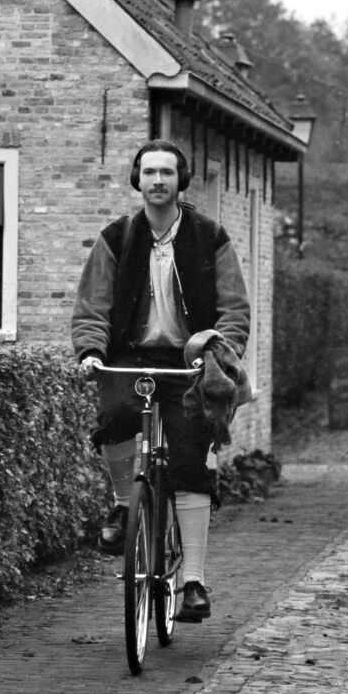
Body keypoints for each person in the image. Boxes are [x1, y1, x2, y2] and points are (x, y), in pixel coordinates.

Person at [71, 139, 250, 622]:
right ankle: (124, 505)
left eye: (166, 173)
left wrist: (219, 349)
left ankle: (192, 581)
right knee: (114, 414)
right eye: (148, 173)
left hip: (190, 360)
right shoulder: (117, 237)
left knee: (192, 461)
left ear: (180, 180)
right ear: (137, 179)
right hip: (130, 356)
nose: (157, 182)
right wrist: (91, 351)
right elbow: (92, 307)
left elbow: (234, 308)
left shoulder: (210, 237)